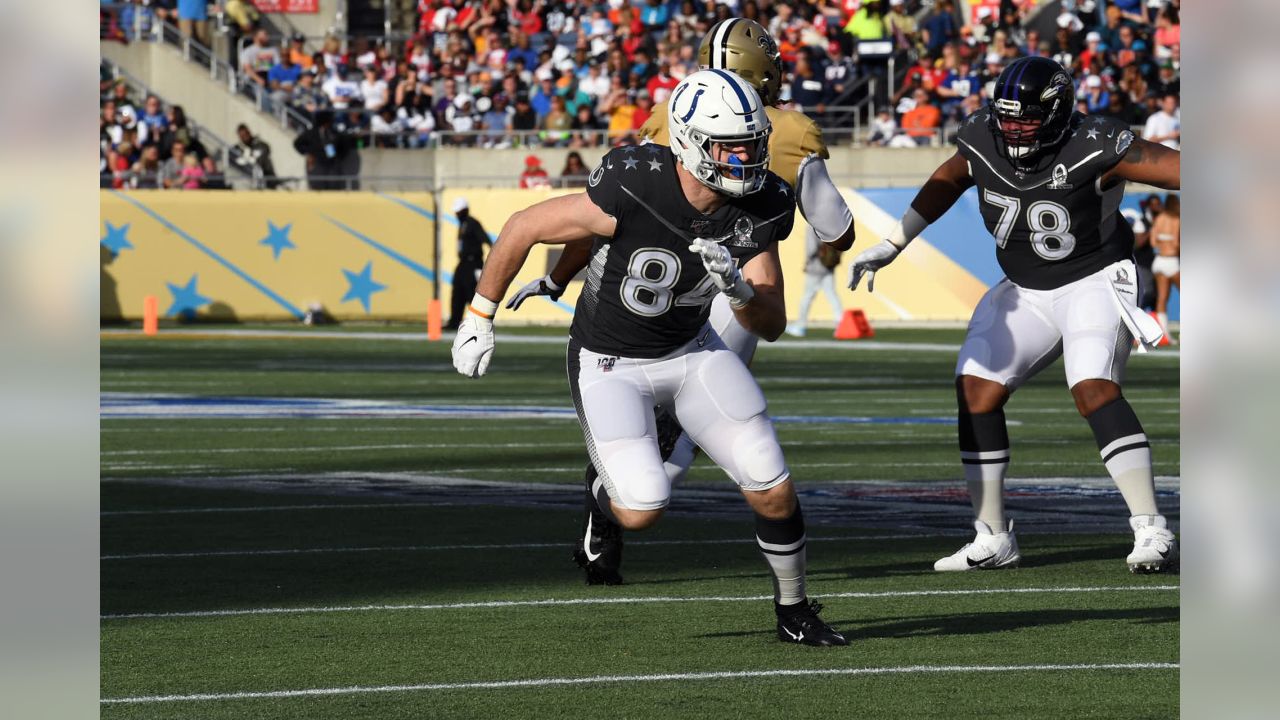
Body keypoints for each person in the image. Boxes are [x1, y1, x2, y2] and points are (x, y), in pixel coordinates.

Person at [451, 70, 847, 647]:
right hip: (609, 361)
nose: (746, 158)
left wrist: (738, 290)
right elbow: (523, 227)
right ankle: (600, 499)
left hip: (693, 353)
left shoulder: (763, 204)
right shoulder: (633, 180)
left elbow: (774, 324)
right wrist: (478, 316)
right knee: (641, 509)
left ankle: (794, 609)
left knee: (772, 482)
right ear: (689, 141)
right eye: (731, 146)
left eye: (752, 144)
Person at [847, 57, 1181, 574]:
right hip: (1025, 288)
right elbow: (948, 176)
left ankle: (1151, 528)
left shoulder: (1095, 142)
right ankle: (993, 536)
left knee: (1093, 387)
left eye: (1026, 118)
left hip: (1094, 279)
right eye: (1007, 116)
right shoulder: (983, 133)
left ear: (1055, 112)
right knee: (976, 390)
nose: (1013, 127)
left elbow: (1174, 167)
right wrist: (895, 241)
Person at [786, 227, 843, 337]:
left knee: (807, 297)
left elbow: (811, 249)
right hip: (828, 266)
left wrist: (807, 263)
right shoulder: (829, 226)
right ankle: (841, 324)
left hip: (815, 267)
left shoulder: (812, 228)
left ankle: (800, 326)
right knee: (832, 295)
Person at [445, 198, 493, 331]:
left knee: (471, 293)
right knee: (457, 292)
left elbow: (485, 239)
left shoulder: (472, 223)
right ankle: (454, 321)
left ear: (465, 210)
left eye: (459, 212)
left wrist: (493, 257)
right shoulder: (462, 224)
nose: (457, 214)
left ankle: (478, 322)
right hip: (463, 262)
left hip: (473, 262)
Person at [1149, 194, 1180, 343]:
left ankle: (1164, 335)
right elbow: (1175, 244)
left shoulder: (1159, 219)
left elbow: (1153, 242)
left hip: (1159, 261)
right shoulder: (1177, 220)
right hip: (1172, 261)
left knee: (1162, 299)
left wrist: (1163, 240)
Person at [229, 124, 279, 189]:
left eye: (246, 134)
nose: (245, 137)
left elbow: (260, 159)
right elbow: (233, 160)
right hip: (247, 180)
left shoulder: (261, 145)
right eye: (242, 136)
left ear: (249, 133)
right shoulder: (237, 149)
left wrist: (248, 158)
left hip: (265, 179)